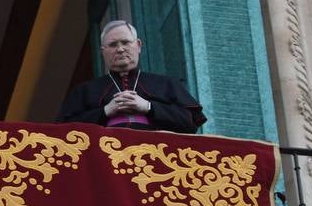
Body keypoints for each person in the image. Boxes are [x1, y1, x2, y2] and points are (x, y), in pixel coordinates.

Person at [55, 20, 206, 133]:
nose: (120, 49)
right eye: (113, 45)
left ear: (138, 45)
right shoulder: (85, 90)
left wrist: (148, 107)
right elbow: (63, 131)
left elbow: (191, 122)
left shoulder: (166, 83)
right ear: (103, 51)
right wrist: (106, 111)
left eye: (126, 42)